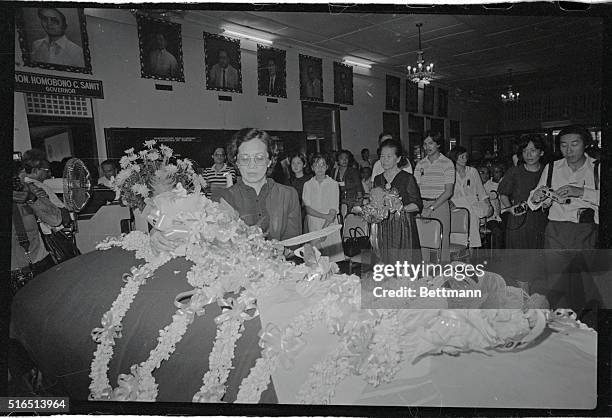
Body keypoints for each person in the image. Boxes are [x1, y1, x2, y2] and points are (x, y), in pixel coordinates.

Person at [528, 126, 600, 311]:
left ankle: (579, 320)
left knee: (581, 280)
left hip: (585, 230)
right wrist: (538, 196)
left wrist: (581, 192)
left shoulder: (598, 167)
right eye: (564, 145)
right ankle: (560, 322)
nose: (569, 150)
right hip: (556, 230)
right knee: (555, 279)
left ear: (586, 144)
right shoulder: (552, 168)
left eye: (574, 144)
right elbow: (534, 200)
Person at [498, 135, 548, 290]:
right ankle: (524, 297)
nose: (529, 154)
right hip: (519, 221)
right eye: (525, 151)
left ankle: (534, 295)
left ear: (541, 152)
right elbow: (503, 194)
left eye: (533, 150)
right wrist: (509, 208)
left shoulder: (548, 171)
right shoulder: (514, 171)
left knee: (537, 259)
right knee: (520, 260)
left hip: (541, 220)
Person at [373, 139, 422, 265]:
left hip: (403, 226)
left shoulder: (407, 178)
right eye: (382, 156)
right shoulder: (378, 179)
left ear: (398, 158)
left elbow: (417, 205)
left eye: (389, 156)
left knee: (404, 265)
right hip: (384, 226)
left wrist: (402, 207)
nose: (384, 160)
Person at [413, 131, 455, 263]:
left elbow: (448, 192)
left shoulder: (447, 163)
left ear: (438, 144)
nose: (427, 147)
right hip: (422, 205)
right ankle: (425, 276)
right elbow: (415, 188)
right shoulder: (420, 164)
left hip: (440, 206)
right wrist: (421, 208)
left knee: (442, 243)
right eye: (424, 144)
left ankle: (443, 277)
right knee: (422, 242)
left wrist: (430, 208)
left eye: (430, 143)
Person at [448, 146, 491, 250]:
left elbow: (481, 192)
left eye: (465, 156)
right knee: (457, 241)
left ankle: (471, 263)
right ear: (455, 158)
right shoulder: (449, 172)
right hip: (456, 210)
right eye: (461, 156)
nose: (464, 159)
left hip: (472, 209)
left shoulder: (473, 171)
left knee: (472, 240)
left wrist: (488, 206)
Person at [302, 154, 344, 262]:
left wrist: (324, 231)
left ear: (327, 167)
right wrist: (324, 218)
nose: (319, 168)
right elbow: (308, 209)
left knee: (333, 261)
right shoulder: (307, 185)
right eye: (316, 165)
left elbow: (333, 211)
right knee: (316, 261)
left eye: (322, 165)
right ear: (312, 167)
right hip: (314, 226)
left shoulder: (333, 184)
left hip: (329, 226)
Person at [479, 165, 503, 250]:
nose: (485, 175)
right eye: (482, 173)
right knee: (497, 231)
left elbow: (494, 194)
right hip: (480, 219)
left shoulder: (492, 184)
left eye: (487, 173)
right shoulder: (473, 186)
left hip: (493, 217)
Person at [288, 153, 312, 228]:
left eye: (298, 163)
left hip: (307, 213)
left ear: (304, 164)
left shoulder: (310, 180)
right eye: (293, 163)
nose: (295, 166)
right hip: (292, 213)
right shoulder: (288, 181)